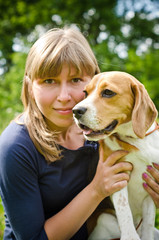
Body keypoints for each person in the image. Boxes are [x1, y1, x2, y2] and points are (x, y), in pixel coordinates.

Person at [0, 26, 159, 240]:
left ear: (94, 79)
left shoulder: (105, 129)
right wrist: (96, 190)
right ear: (29, 86)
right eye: (49, 81)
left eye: (76, 80)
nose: (65, 96)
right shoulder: (15, 147)